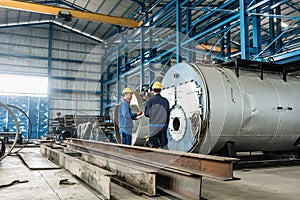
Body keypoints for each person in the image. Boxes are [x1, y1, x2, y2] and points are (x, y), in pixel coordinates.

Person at [144, 81, 170, 148]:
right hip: (163, 125)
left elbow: (146, 113)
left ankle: (154, 157)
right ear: (161, 90)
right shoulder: (165, 101)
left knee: (154, 145)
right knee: (164, 144)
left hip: (154, 126)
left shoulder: (150, 101)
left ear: (153, 90)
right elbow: (168, 114)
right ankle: (165, 157)